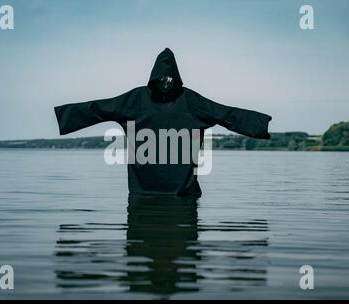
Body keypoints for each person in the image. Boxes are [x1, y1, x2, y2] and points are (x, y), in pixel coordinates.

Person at [54, 48, 272, 197]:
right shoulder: (136, 100)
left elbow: (225, 114)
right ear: (154, 77)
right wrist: (65, 116)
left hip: (182, 195)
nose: (166, 83)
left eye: (169, 78)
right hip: (143, 192)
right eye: (162, 78)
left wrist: (260, 125)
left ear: (176, 77)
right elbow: (100, 108)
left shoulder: (190, 101)